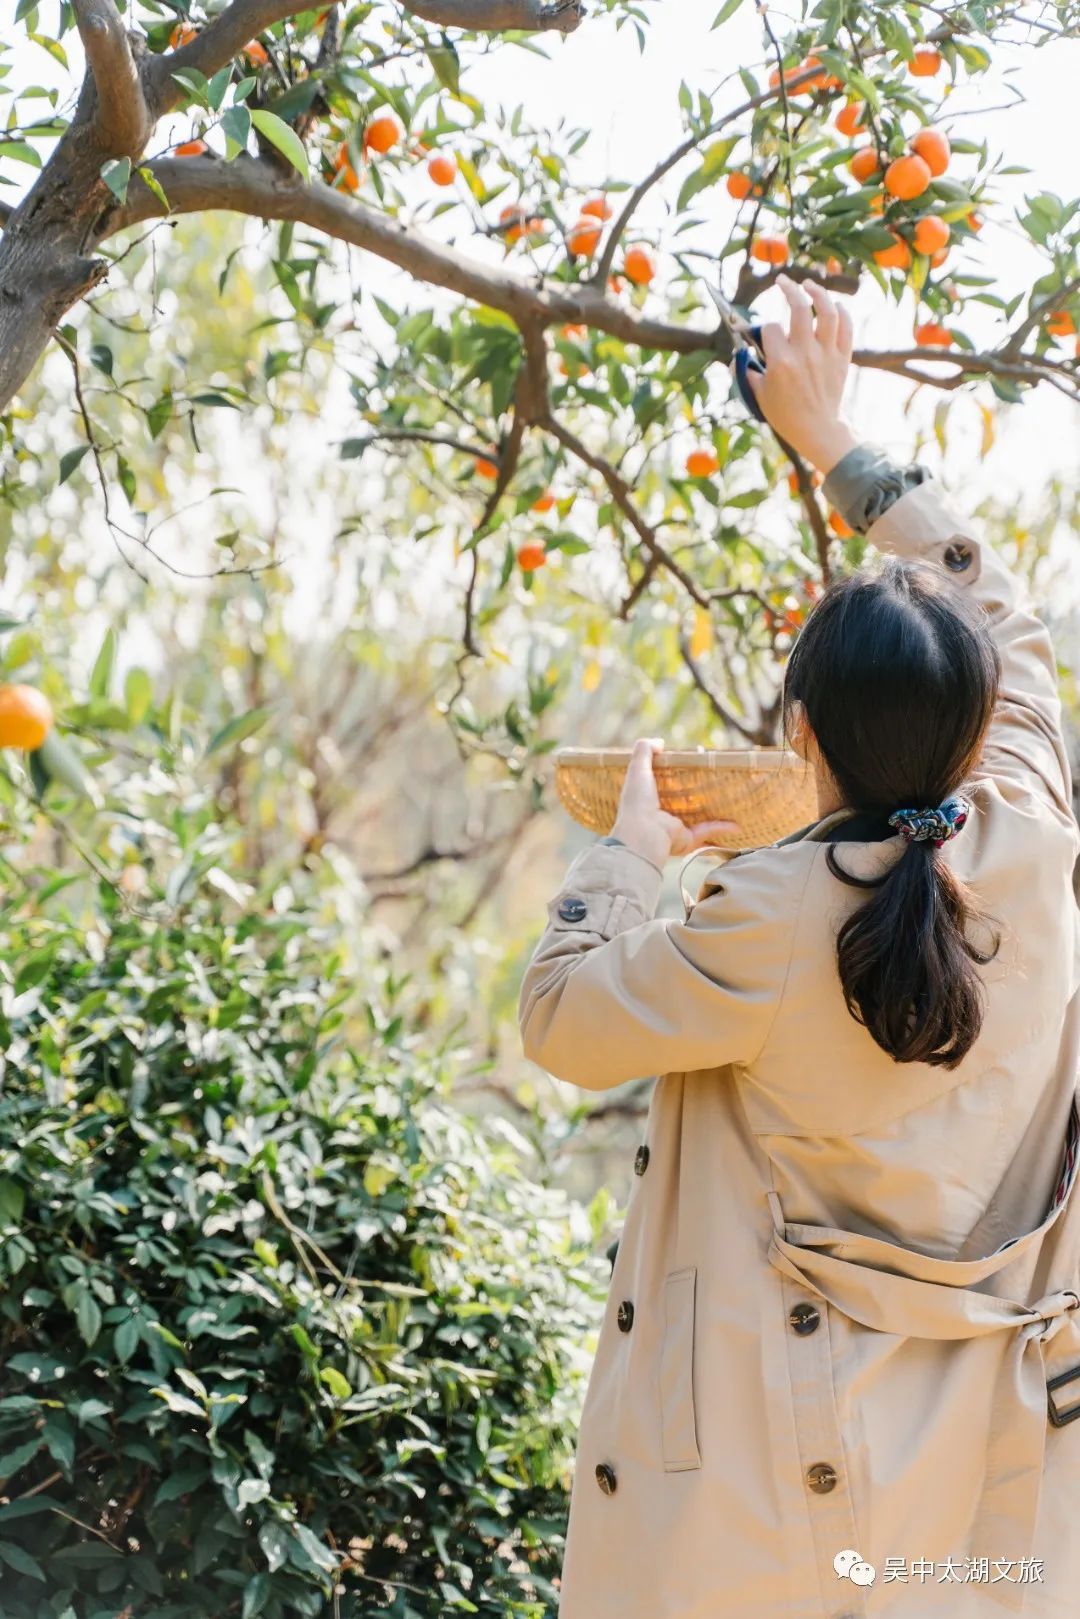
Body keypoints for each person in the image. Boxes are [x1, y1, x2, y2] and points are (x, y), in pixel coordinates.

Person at [517, 276, 1080, 1619]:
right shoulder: (1032, 839)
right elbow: (1011, 628)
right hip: (974, 1490)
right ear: (978, 722)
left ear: (803, 741)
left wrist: (631, 858)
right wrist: (839, 444)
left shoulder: (768, 920)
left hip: (774, 1496)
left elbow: (561, 1021)